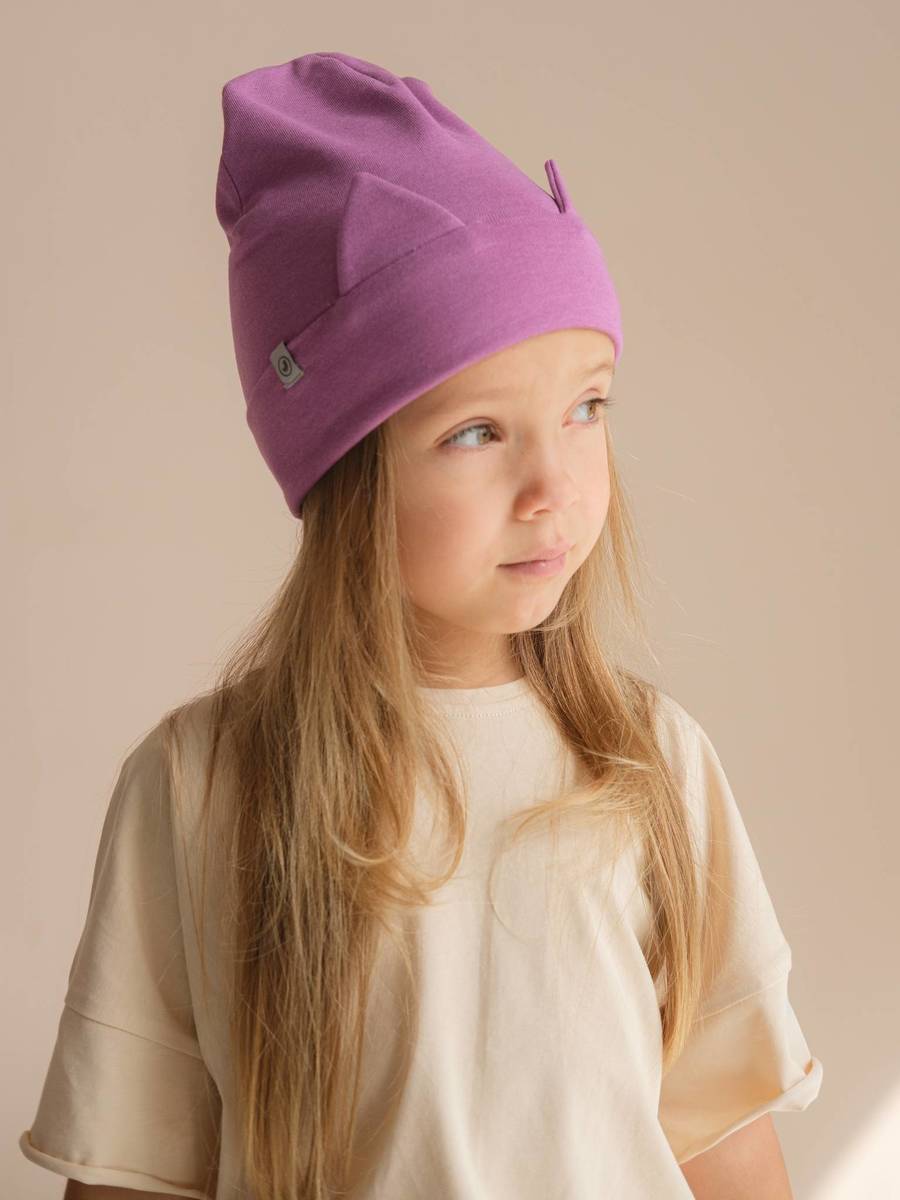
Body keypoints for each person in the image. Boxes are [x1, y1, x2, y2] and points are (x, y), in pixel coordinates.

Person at [18, 50, 823, 1200]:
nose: (554, 485)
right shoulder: (200, 790)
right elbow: (129, 1175)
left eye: (586, 406)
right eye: (477, 433)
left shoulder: (650, 769)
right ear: (347, 475)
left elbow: (725, 1149)